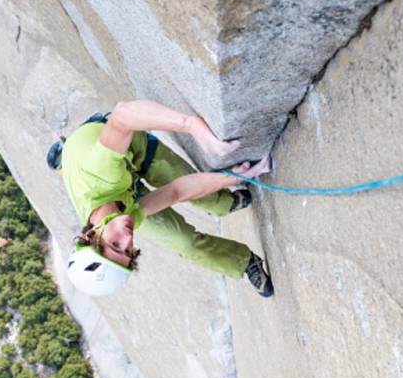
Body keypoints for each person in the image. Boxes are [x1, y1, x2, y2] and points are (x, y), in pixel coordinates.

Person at [56, 100, 273, 298]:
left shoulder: (100, 173)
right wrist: (231, 178)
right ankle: (244, 262)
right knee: (184, 243)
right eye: (128, 253)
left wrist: (192, 125)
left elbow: (122, 115)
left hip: (129, 151)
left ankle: (225, 202)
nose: (128, 240)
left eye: (115, 245)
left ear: (92, 234)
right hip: (122, 194)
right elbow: (175, 192)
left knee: (185, 181)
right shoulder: (120, 222)